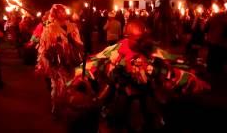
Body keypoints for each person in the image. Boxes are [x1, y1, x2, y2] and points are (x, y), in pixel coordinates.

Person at [67, 20, 210, 132]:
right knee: (114, 124)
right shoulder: (115, 50)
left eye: (144, 38)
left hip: (146, 99)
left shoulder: (151, 49)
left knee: (151, 124)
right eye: (138, 39)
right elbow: (94, 61)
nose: (143, 42)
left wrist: (190, 75)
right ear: (127, 37)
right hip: (119, 98)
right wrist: (81, 76)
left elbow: (171, 61)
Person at [36, 4, 83, 116]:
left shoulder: (73, 27)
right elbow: (44, 48)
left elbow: (79, 44)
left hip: (71, 62)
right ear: (55, 14)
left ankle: (68, 105)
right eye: (60, 11)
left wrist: (74, 43)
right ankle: (56, 107)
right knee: (58, 86)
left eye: (64, 11)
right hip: (57, 63)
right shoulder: (49, 29)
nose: (63, 13)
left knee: (70, 84)